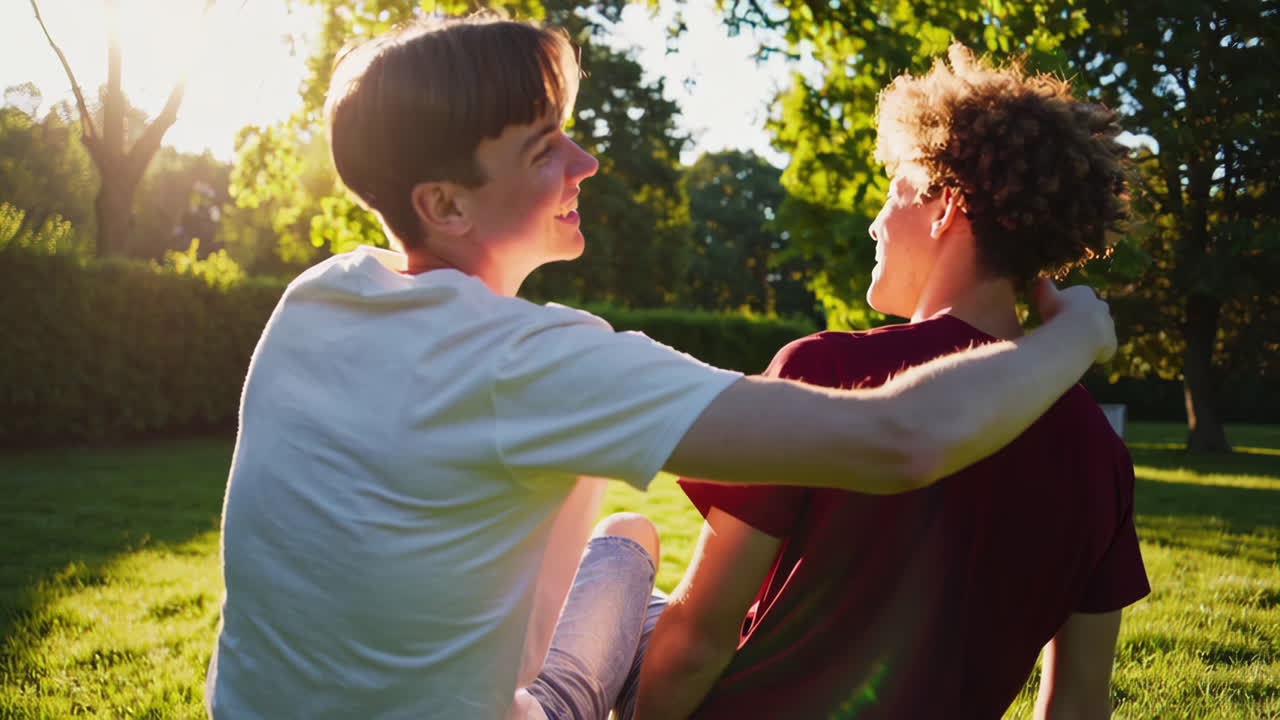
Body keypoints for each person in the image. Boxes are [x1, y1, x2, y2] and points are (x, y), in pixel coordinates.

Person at [205, 17, 1118, 720]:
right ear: (443, 204)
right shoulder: (534, 363)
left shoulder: (317, 297)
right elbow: (900, 440)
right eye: (544, 149)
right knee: (626, 561)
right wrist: (1073, 337)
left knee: (630, 537)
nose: (587, 160)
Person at [636, 43, 1150, 720]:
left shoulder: (827, 372)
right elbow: (1078, 703)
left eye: (892, 190)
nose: (875, 222)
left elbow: (697, 638)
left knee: (620, 543)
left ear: (947, 205)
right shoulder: (1100, 452)